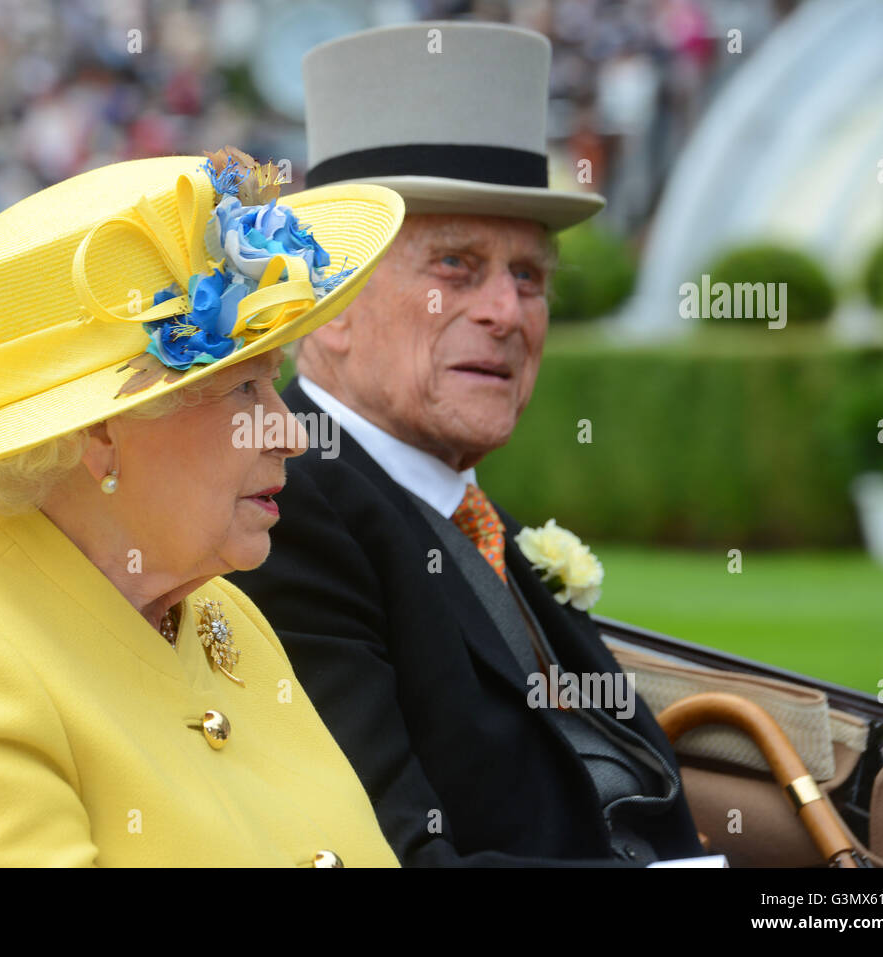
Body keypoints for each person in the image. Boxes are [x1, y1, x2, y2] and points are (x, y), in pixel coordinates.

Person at [0, 151, 406, 867]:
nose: (292, 433)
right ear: (98, 434)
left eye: (270, 382)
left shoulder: (222, 611)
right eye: (242, 391)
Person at [231, 23, 707, 866]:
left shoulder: (474, 517)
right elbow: (399, 853)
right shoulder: (283, 504)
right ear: (328, 306)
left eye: (529, 276)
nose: (506, 311)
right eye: (456, 265)